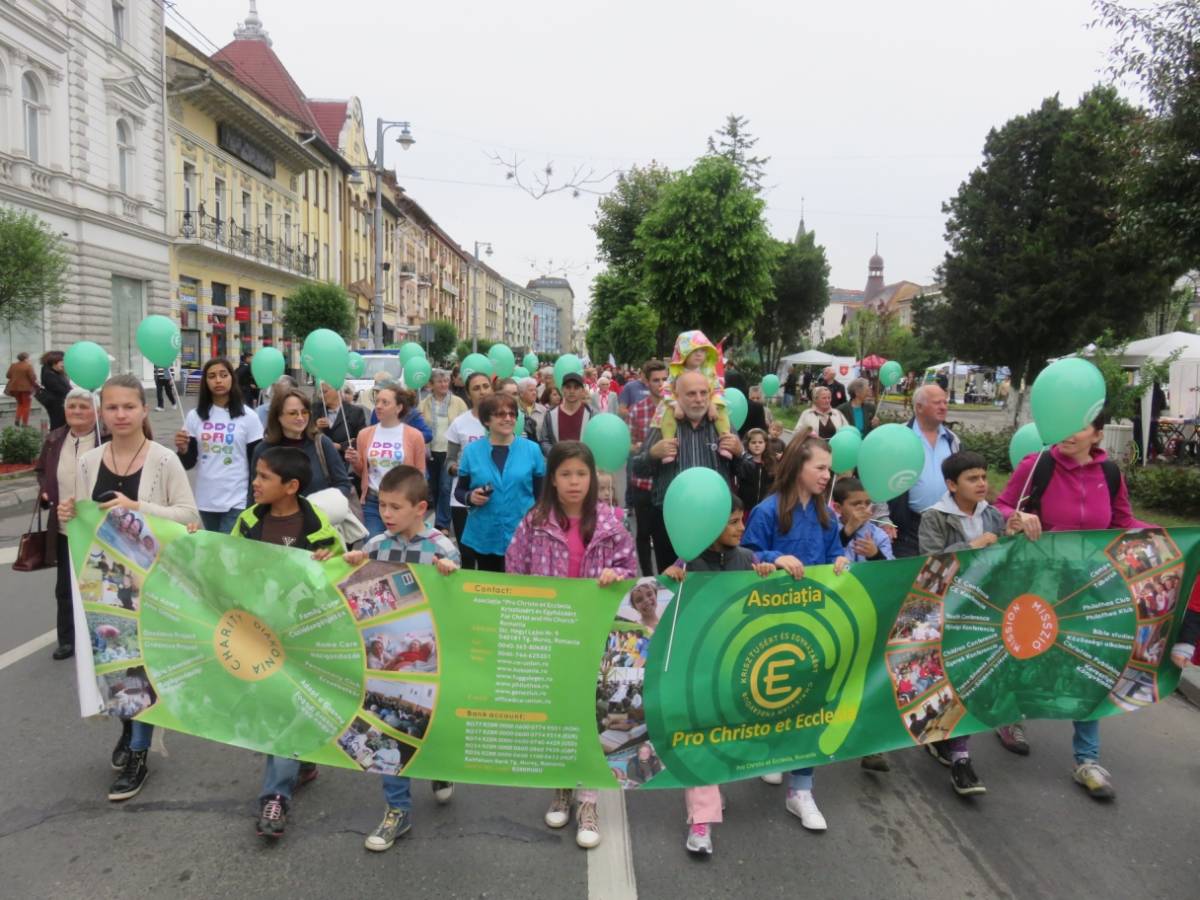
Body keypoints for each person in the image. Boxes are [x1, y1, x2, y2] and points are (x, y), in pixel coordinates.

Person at [57, 374, 199, 802]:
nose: (120, 414)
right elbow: (81, 523)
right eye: (113, 407)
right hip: (104, 581)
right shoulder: (88, 461)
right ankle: (127, 726)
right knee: (118, 664)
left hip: (152, 581)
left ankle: (139, 752)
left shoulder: (162, 460)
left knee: (144, 666)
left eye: (129, 407)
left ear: (143, 410)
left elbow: (188, 515)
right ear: (104, 412)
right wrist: (68, 513)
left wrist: (137, 507)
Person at [993, 414, 1142, 799]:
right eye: (1067, 422)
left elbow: (1123, 522)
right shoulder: (1036, 464)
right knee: (1027, 652)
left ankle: (1087, 760)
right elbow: (1001, 507)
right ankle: (1010, 717)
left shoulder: (1109, 472)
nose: (1070, 432)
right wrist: (1017, 517)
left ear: (1097, 433)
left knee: (1090, 662)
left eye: (1080, 425)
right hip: (1038, 580)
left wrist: (1175, 539)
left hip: (1090, 586)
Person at [506, 441, 636, 849]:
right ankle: (561, 785)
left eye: (581, 474)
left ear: (592, 477)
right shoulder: (536, 521)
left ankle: (590, 799)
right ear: (553, 479)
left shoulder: (612, 525)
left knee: (593, 713)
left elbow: (632, 572)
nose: (574, 482)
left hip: (596, 637)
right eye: (565, 474)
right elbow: (515, 570)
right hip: (551, 636)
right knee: (558, 711)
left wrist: (617, 575)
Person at [337, 478, 462, 847]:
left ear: (420, 509)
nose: (386, 514)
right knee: (389, 731)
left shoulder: (442, 548)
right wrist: (352, 564)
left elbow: (457, 603)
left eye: (395, 507)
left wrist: (450, 577)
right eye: (383, 506)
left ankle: (439, 768)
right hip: (387, 664)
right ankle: (398, 810)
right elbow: (355, 587)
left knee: (430, 725)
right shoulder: (375, 545)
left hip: (431, 662)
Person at [229, 447, 344, 839]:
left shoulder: (320, 530)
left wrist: (331, 561)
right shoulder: (247, 523)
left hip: (304, 639)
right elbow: (223, 563)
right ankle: (300, 764)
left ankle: (275, 798)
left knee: (284, 709)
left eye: (264, 477)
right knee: (272, 709)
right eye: (255, 475)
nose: (255, 483)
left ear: (291, 486)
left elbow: (342, 577)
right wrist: (196, 541)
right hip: (260, 635)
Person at [740, 435, 849, 830]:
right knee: (771, 693)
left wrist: (842, 558)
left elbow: (839, 550)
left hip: (815, 621)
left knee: (812, 702)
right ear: (797, 467)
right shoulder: (767, 511)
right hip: (773, 623)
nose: (826, 475)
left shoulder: (828, 516)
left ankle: (801, 788)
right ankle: (772, 751)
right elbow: (747, 554)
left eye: (829, 468)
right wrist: (774, 557)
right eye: (819, 467)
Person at [663, 496, 776, 856]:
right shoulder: (689, 562)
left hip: (737, 669)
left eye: (741, 520)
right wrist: (670, 579)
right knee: (700, 741)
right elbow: (664, 606)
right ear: (710, 526)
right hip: (697, 670)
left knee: (725, 739)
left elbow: (763, 604)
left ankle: (714, 785)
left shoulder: (746, 559)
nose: (742, 528)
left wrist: (767, 574)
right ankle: (701, 823)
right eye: (733, 522)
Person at [917, 451, 1021, 796]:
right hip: (948, 612)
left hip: (985, 613)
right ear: (951, 484)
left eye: (983, 477)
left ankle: (961, 758)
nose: (982, 484)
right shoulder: (935, 517)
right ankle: (942, 737)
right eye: (972, 479)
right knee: (947, 679)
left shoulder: (992, 515)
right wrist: (970, 546)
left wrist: (1012, 535)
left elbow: (1006, 557)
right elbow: (928, 565)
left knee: (969, 681)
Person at [631, 370, 743, 573]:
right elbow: (636, 469)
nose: (699, 400)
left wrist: (740, 453)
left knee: (712, 589)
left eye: (703, 393)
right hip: (672, 525)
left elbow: (745, 472)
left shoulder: (722, 425)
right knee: (673, 587)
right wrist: (652, 454)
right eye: (691, 394)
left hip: (715, 523)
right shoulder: (663, 426)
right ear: (677, 396)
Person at [34, 388, 99, 659]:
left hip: (97, 529)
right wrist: (46, 491)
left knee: (98, 584)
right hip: (64, 527)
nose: (76, 411)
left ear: (95, 411)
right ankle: (67, 639)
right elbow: (41, 471)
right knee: (65, 587)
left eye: (83, 406)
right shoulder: (55, 439)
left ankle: (100, 637)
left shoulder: (104, 438)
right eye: (72, 406)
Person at [454, 392, 545, 571]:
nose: (508, 418)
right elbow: (459, 491)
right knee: (491, 590)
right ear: (487, 421)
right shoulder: (472, 451)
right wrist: (470, 497)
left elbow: (541, 495)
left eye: (512, 414)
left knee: (520, 591)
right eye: (500, 414)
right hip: (485, 533)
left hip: (522, 533)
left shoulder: (532, 450)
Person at [175, 357, 263, 533]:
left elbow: (257, 460)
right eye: (212, 376)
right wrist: (183, 450)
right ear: (205, 382)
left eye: (223, 375)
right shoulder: (195, 416)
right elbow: (189, 462)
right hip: (206, 499)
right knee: (215, 550)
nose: (218, 380)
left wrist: (255, 497)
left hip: (237, 498)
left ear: (232, 378)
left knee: (227, 551)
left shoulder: (249, 417)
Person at [887, 385, 959, 558]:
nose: (943, 407)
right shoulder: (899, 437)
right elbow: (881, 479)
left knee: (943, 574)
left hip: (947, 522)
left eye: (945, 402)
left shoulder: (952, 440)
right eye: (937, 403)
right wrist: (883, 517)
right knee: (911, 577)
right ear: (919, 407)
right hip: (909, 526)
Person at [251, 388, 353, 503]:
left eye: (304, 412)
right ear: (278, 416)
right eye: (293, 413)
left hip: (318, 517)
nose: (300, 418)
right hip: (274, 519)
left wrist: (324, 505)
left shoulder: (322, 443)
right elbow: (254, 494)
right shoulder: (263, 449)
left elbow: (343, 484)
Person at [350, 384, 426, 539]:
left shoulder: (414, 436)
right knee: (373, 547)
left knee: (402, 548)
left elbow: (420, 473)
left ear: (398, 408)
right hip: (374, 501)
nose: (378, 406)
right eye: (377, 401)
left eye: (385, 403)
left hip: (403, 501)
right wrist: (356, 461)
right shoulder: (364, 434)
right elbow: (362, 472)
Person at [655, 330, 732, 460]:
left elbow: (718, 389)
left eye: (702, 351)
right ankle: (668, 446)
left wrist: (713, 404)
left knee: (722, 410)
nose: (699, 355)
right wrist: (675, 405)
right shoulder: (676, 372)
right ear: (683, 351)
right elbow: (666, 390)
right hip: (679, 406)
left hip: (707, 404)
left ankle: (725, 442)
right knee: (667, 412)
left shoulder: (709, 371)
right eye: (694, 351)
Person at [627, 360, 671, 575]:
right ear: (646, 381)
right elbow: (629, 443)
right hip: (643, 483)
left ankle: (667, 577)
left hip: (668, 482)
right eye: (656, 380)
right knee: (643, 533)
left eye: (664, 379)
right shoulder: (639, 409)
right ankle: (646, 577)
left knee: (666, 535)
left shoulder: (674, 408)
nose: (661, 384)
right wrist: (639, 448)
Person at [445, 372, 493, 544]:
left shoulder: (502, 420)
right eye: (476, 388)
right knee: (467, 554)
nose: (482, 392)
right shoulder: (459, 423)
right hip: (462, 498)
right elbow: (449, 460)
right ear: (468, 394)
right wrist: (457, 468)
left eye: (486, 386)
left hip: (495, 497)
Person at [419, 369, 468, 532]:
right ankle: (443, 517)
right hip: (431, 452)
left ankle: (442, 524)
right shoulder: (424, 403)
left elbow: (465, 425)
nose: (444, 384)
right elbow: (419, 426)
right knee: (435, 488)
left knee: (446, 486)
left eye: (446, 381)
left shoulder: (458, 402)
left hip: (450, 452)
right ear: (431, 385)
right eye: (439, 381)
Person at [538, 371, 595, 453]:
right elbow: (544, 441)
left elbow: (596, 440)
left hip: (583, 463)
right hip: (559, 464)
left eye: (576, 387)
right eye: (568, 387)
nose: (572, 391)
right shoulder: (550, 414)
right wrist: (557, 455)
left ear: (582, 390)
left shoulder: (590, 413)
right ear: (562, 390)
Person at [317, 379, 368, 470]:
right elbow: (305, 434)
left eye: (324, 392)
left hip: (345, 465)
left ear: (338, 391)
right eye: (320, 392)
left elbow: (362, 440)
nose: (321, 396)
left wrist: (341, 446)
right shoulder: (316, 410)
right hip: (321, 464)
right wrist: (316, 427)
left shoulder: (355, 412)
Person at [737, 428, 774, 517]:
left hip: (763, 509)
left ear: (766, 444)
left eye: (760, 442)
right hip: (745, 509)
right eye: (753, 442)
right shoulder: (743, 463)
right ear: (747, 444)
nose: (757, 445)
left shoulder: (769, 464)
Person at [37, 351, 71, 429]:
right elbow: (62, 390)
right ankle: (55, 439)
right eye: (62, 362)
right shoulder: (49, 374)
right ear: (54, 362)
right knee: (58, 425)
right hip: (56, 405)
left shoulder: (54, 372)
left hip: (59, 404)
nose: (63, 364)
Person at [5, 351, 38, 426]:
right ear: (26, 358)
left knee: (20, 404)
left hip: (14, 389)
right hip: (26, 389)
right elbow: (33, 378)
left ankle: (17, 419)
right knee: (26, 405)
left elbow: (8, 375)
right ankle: (24, 423)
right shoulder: (28, 366)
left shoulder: (13, 365)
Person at [516, 376, 546, 442]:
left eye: (535, 390)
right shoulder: (514, 410)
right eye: (531, 390)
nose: (534, 393)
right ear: (521, 394)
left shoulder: (543, 410)